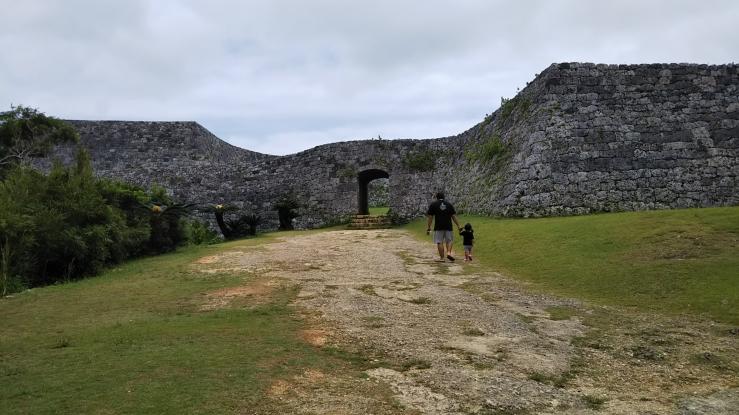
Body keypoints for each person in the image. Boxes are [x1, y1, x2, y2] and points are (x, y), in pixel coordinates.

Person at [426, 192, 461, 262]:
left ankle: (442, 258)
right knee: (449, 241)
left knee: (439, 242)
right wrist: (458, 225)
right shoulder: (449, 204)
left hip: (438, 226)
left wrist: (429, 227)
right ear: (444, 197)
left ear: (437, 197)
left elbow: (430, 217)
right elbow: (453, 216)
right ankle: (449, 253)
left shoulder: (433, 204)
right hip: (448, 226)